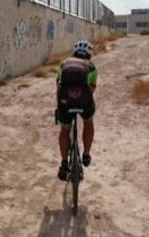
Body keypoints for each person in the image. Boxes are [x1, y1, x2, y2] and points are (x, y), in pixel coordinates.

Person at [56, 40, 98, 181]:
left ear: (74, 52)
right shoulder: (92, 67)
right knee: (88, 121)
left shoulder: (63, 64)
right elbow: (92, 89)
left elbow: (58, 87)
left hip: (65, 102)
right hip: (84, 102)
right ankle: (86, 154)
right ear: (89, 54)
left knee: (65, 130)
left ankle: (64, 164)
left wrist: (60, 106)